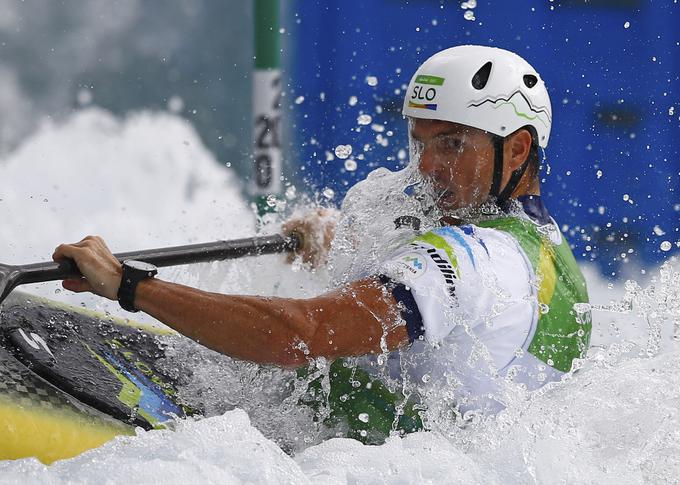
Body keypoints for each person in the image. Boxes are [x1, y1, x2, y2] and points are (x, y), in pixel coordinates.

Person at [53, 45, 591, 439]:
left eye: (452, 144)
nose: (426, 167)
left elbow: (302, 334)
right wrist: (342, 238)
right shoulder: (545, 253)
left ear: (517, 151)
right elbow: (421, 275)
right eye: (420, 142)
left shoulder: (479, 260)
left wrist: (129, 286)